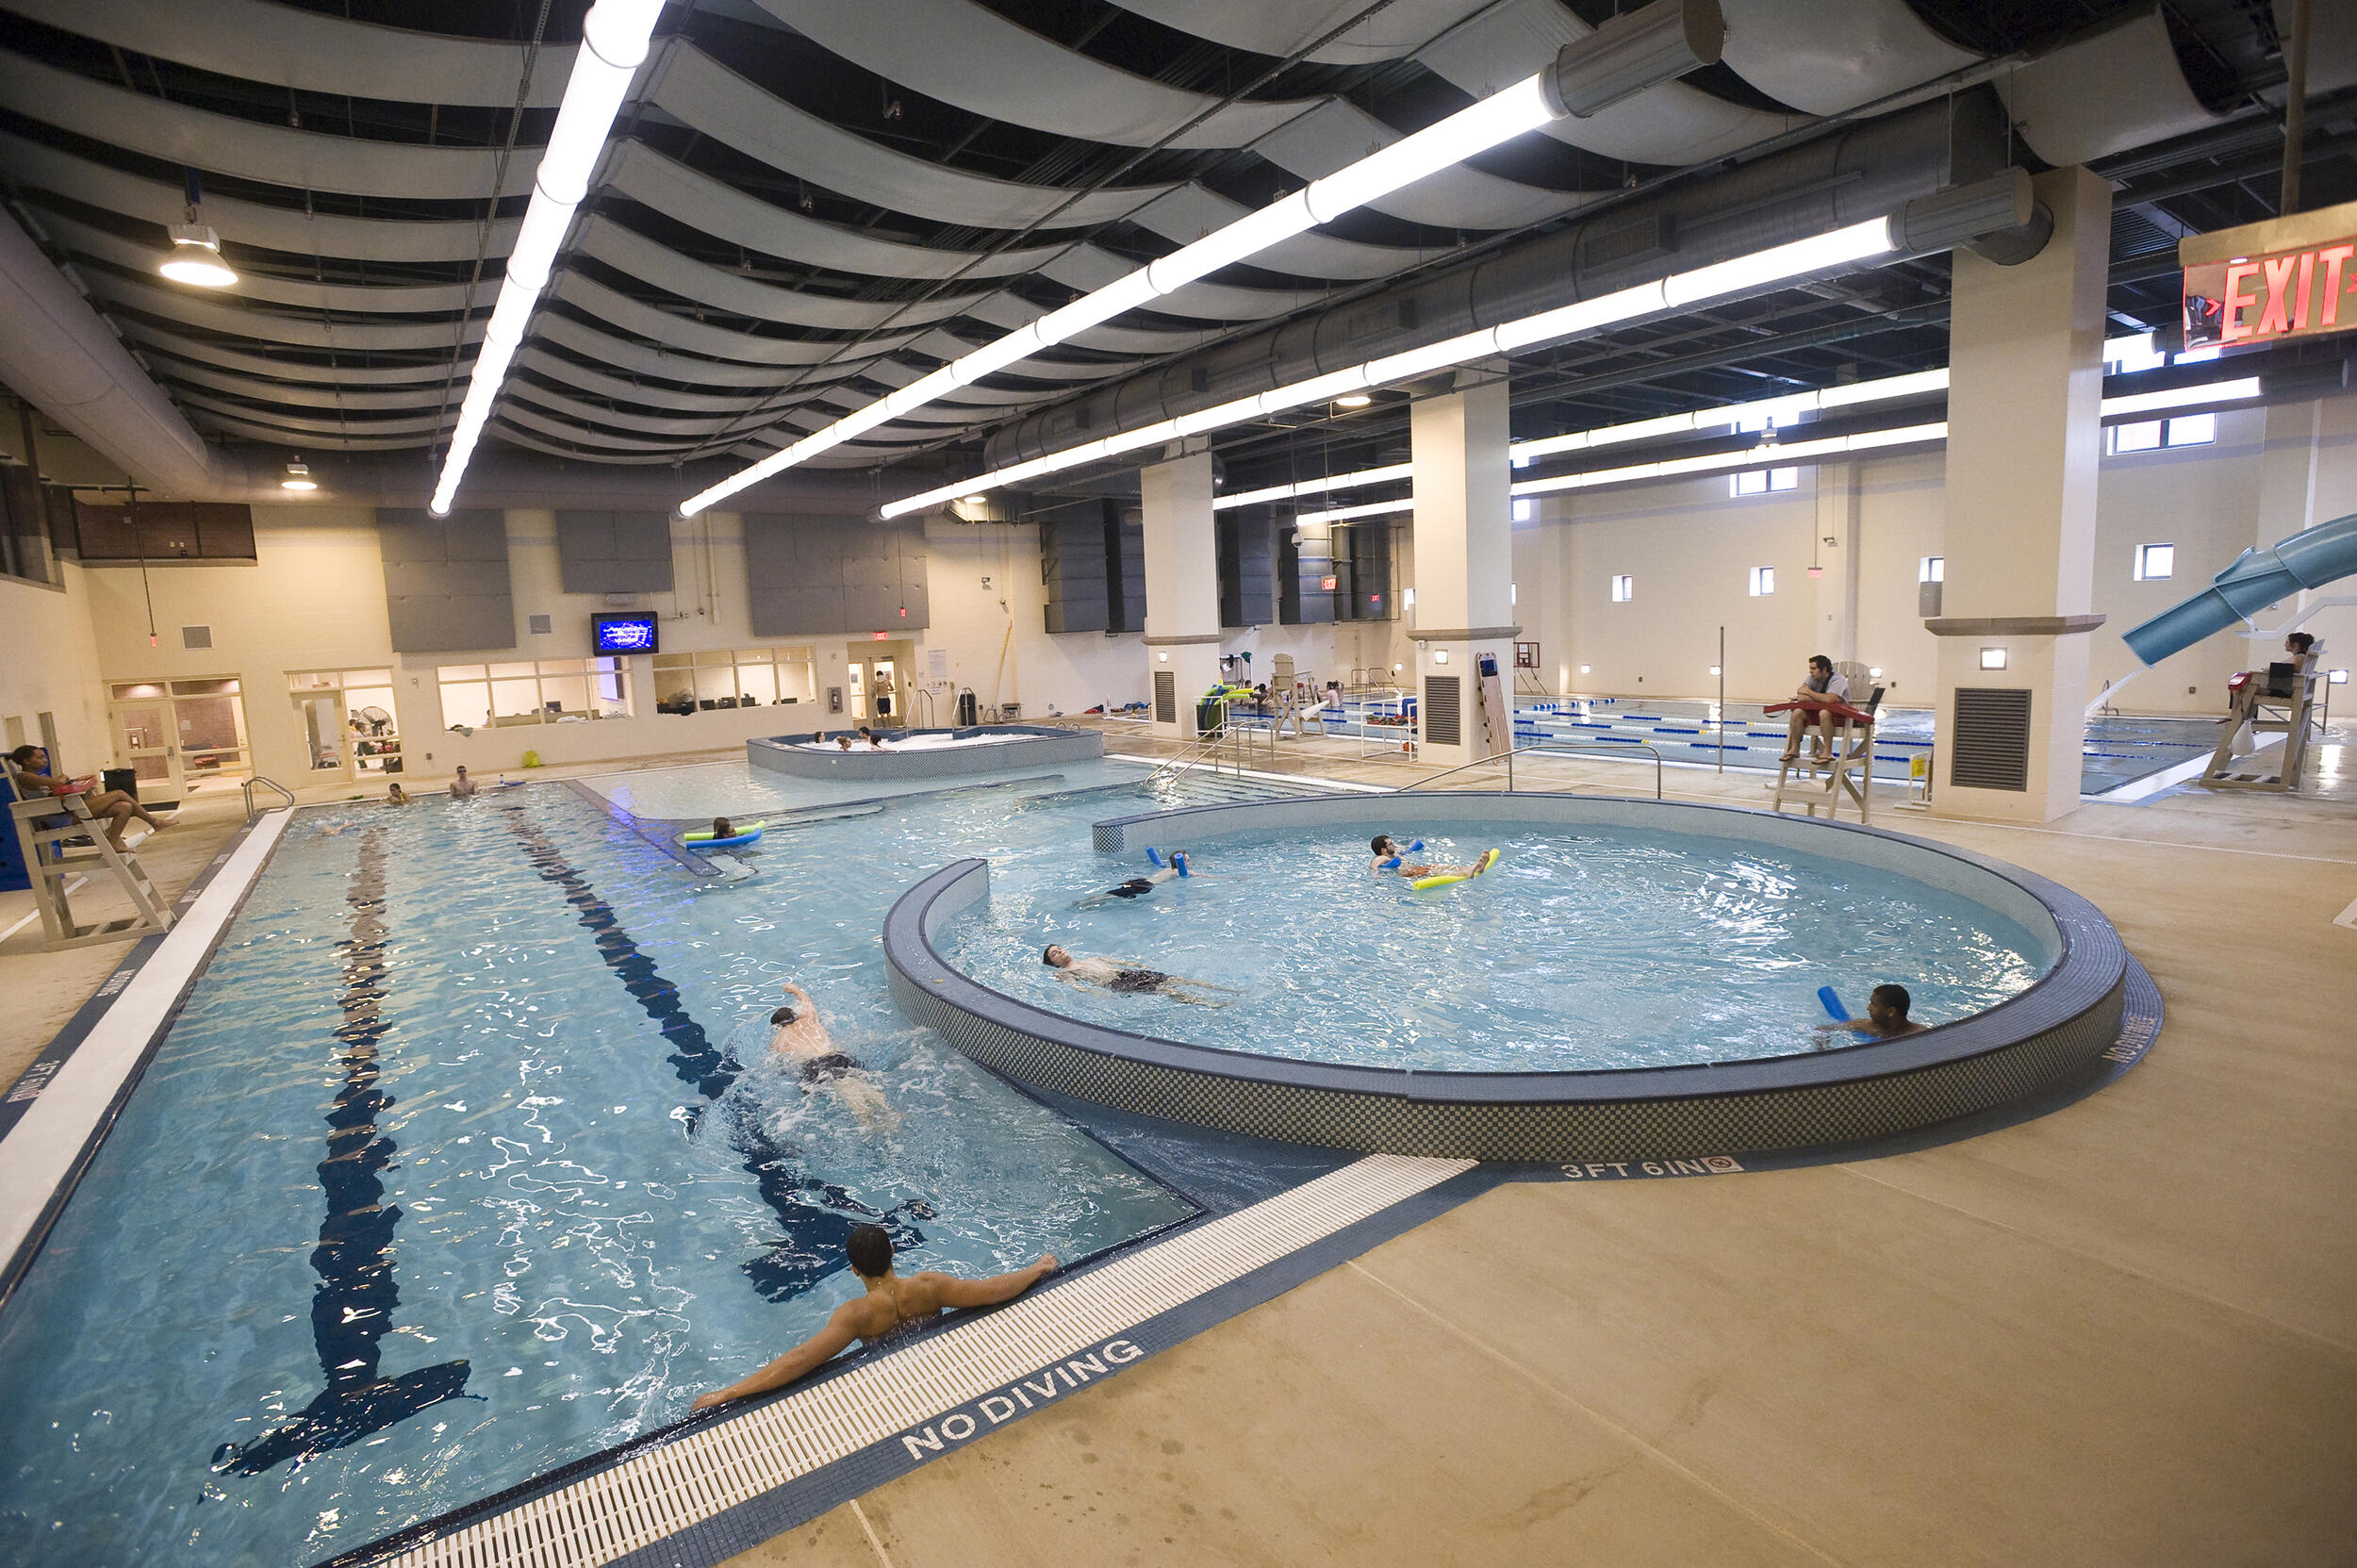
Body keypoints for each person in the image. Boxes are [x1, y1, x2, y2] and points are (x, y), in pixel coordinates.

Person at [690, 1226, 1057, 1411]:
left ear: (853, 1270)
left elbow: (801, 1360)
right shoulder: (930, 1286)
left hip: (894, 1389)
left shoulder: (857, 1315)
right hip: (946, 1372)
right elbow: (992, 1291)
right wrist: (1036, 1269)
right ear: (894, 1251)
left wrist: (730, 1391)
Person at [768, 982, 897, 1131]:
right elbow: (806, 1000)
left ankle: (864, 1116)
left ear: (777, 1026)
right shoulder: (809, 1019)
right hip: (837, 1055)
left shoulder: (778, 1040)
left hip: (815, 1064)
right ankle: (888, 1109)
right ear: (795, 1016)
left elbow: (779, 1064)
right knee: (854, 1081)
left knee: (842, 1086)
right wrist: (794, 990)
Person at [5, 744, 164, 852]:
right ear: (26, 761)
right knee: (120, 793)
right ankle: (154, 822)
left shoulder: (36, 775)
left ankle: (113, 843)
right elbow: (56, 782)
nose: (44, 760)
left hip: (64, 810)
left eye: (44, 757)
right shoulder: (24, 776)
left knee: (124, 807)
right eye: (39, 757)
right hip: (60, 816)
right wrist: (61, 778)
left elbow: (56, 785)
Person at [1041, 945, 1238, 1006]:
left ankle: (1223, 989)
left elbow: (1120, 962)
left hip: (1127, 974)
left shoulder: (1093, 957)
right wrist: (1094, 994)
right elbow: (1076, 986)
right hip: (1115, 983)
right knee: (1165, 990)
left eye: (1059, 949)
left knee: (1176, 979)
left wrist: (1139, 965)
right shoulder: (1064, 973)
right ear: (1053, 963)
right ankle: (1207, 1003)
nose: (1060, 952)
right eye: (1054, 954)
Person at [1781, 654, 1852, 763]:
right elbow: (1800, 696)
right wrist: (1821, 698)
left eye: (1814, 669)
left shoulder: (1838, 679)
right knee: (1797, 712)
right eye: (1810, 668)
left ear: (1824, 669)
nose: (1811, 672)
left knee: (1824, 712)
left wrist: (1809, 693)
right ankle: (1794, 749)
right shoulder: (1811, 678)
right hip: (1818, 715)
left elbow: (1829, 699)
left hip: (1840, 717)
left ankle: (1827, 752)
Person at [1815, 982, 1929, 1042]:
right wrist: (1823, 1048)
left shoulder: (1920, 1034)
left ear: (1891, 1011)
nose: (1868, 1008)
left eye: (1873, 1004)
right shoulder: (1867, 1026)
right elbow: (1821, 1030)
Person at [1078, 850, 1192, 905]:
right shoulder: (1177, 872)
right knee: (1112, 897)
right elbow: (1198, 874)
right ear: (1181, 862)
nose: (1189, 863)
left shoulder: (1167, 869)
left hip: (1140, 881)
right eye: (1188, 860)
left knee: (1112, 894)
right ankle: (1085, 904)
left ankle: (1088, 900)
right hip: (1145, 886)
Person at [1367, 834, 1491, 882]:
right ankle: (1468, 871)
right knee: (1438, 870)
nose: (1393, 845)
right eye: (1390, 844)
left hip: (1414, 869)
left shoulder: (1394, 853)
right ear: (1383, 850)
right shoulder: (1380, 858)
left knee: (1442, 867)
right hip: (1407, 873)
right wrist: (1376, 876)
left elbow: (1406, 848)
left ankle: (1473, 868)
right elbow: (1374, 865)